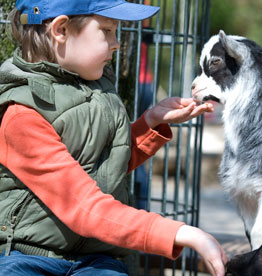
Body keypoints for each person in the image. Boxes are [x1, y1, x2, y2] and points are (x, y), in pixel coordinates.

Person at [0, 0, 227, 275]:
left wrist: (151, 122)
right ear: (60, 30)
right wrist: (180, 233)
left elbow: (103, 166)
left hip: (95, 259)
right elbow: (82, 205)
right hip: (28, 257)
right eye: (107, 30)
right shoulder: (21, 115)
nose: (116, 43)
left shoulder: (98, 89)